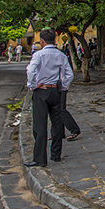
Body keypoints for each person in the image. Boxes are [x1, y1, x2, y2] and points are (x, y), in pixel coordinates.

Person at [25, 28, 74, 167]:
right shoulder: (61, 55)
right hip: (55, 90)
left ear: (41, 41)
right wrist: (63, 87)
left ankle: (40, 158)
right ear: (54, 39)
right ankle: (56, 154)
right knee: (57, 123)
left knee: (40, 125)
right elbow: (69, 75)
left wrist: (33, 85)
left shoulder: (39, 55)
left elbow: (30, 70)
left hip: (42, 90)